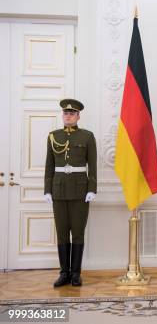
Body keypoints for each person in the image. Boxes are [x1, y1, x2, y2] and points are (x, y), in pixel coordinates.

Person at [44, 99, 97, 287]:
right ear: (62, 115)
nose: (68, 116)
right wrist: (47, 190)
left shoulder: (87, 137)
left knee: (78, 233)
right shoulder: (53, 136)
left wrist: (92, 189)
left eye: (72, 113)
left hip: (80, 191)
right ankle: (64, 273)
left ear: (78, 116)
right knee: (61, 234)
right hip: (58, 191)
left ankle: (76, 274)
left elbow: (93, 165)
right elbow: (49, 166)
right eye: (66, 113)